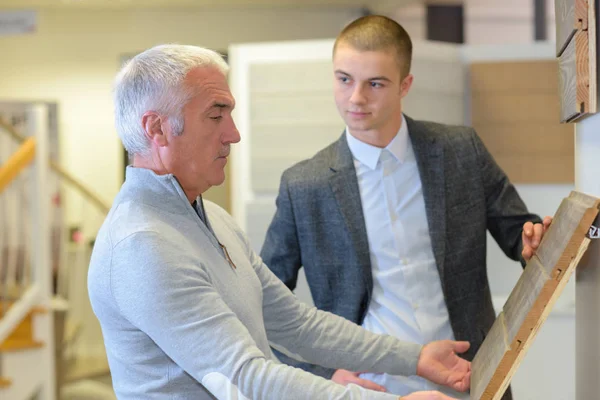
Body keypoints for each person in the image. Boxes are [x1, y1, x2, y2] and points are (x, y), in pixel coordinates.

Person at [87, 44, 473, 400]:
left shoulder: (213, 219)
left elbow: (298, 325)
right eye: (216, 115)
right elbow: (245, 377)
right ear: (156, 128)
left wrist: (415, 358)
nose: (233, 134)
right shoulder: (143, 244)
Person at [260, 15, 552, 400]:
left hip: (472, 376)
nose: (355, 98)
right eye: (344, 79)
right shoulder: (303, 185)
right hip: (370, 388)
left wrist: (533, 242)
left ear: (405, 85)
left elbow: (520, 233)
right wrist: (321, 372)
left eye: (375, 83)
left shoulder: (461, 151)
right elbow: (263, 301)